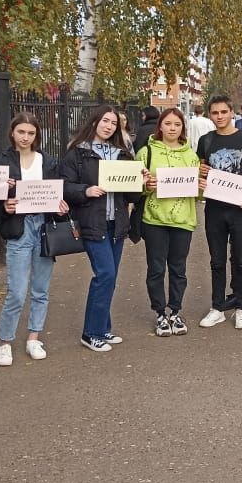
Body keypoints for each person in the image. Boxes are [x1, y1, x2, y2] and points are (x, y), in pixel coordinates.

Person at [62, 106, 144, 352]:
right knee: (105, 275)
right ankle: (91, 333)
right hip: (92, 222)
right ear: (95, 122)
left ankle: (103, 327)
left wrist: (139, 178)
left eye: (114, 123)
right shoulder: (78, 153)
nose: (109, 126)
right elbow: (64, 185)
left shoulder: (122, 153)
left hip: (116, 223)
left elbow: (132, 196)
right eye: (105, 121)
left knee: (110, 277)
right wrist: (85, 191)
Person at [0, 112, 70, 365]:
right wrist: (4, 206)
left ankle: (33, 337)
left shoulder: (47, 161)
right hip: (19, 227)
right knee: (16, 290)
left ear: (37, 135)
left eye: (30, 133)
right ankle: (5, 341)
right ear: (12, 133)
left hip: (43, 225)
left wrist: (60, 207)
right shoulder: (2, 161)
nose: (25, 137)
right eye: (21, 132)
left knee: (41, 288)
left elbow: (56, 192)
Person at [196, 95, 242, 330]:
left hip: (241, 209)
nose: (219, 117)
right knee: (217, 261)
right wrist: (201, 171)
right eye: (215, 113)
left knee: (240, 260)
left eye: (223, 112)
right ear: (210, 115)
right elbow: (200, 171)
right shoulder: (206, 141)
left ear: (231, 112)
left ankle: (241, 307)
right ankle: (217, 308)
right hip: (215, 209)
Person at [137, 106, 201, 337]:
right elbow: (135, 188)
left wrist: (202, 186)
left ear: (182, 128)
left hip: (183, 220)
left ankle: (175, 311)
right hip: (154, 220)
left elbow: (198, 193)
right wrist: (145, 186)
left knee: (178, 269)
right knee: (155, 268)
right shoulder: (146, 153)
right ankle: (160, 313)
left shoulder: (191, 156)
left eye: (177, 124)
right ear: (160, 126)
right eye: (168, 124)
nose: (172, 128)